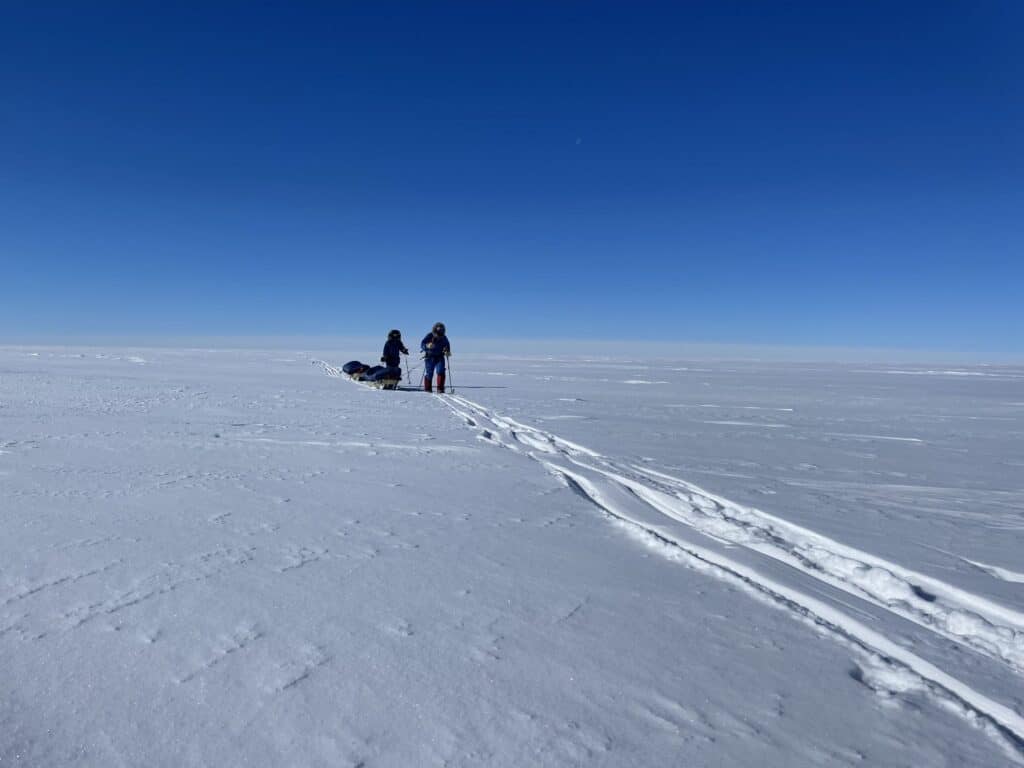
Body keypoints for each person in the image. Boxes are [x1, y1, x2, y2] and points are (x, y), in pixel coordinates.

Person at [420, 321, 451, 393]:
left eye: (441, 329)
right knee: (429, 373)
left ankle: (440, 388)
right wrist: (427, 346)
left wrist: (447, 351)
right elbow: (422, 344)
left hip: (440, 357)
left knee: (441, 371)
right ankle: (427, 388)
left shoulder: (444, 338)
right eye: (439, 329)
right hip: (430, 357)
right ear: (435, 329)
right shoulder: (429, 335)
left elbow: (447, 345)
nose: (440, 331)